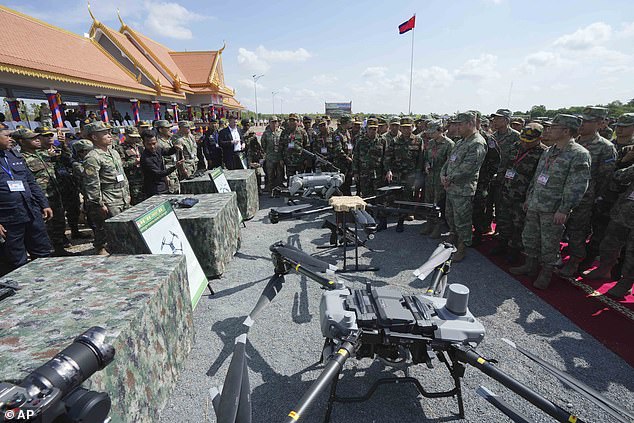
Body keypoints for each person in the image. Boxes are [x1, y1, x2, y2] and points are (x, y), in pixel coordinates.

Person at [510, 114, 591, 289]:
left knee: (550, 243)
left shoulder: (578, 154)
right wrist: (530, 197)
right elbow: (537, 177)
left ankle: (546, 272)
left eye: (554, 127)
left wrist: (564, 209)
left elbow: (577, 185)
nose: (549, 130)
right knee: (530, 237)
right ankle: (530, 265)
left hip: (553, 209)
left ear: (566, 131)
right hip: (536, 203)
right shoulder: (549, 150)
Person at [558, 107, 616, 277]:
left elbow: (606, 177)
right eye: (581, 120)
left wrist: (594, 197)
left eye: (587, 121)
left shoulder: (605, 147)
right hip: (562, 193)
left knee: (578, 230)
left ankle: (574, 262)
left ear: (599, 124)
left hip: (585, 197)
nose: (582, 124)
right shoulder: (571, 143)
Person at [15, 128, 76, 257]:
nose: (37, 139)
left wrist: (63, 144)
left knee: (59, 222)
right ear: (21, 142)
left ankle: (59, 248)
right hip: (40, 199)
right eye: (32, 138)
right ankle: (46, 253)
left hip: (55, 193)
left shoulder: (44, 154)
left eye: (37, 137)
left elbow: (66, 158)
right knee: (44, 227)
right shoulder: (21, 158)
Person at [493, 123, 547, 263]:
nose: (525, 143)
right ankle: (502, 244)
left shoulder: (543, 153)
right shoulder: (515, 146)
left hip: (522, 196)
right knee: (503, 220)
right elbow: (505, 165)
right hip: (506, 190)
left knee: (519, 225)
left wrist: (530, 198)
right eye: (523, 139)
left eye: (529, 141)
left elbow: (538, 179)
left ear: (539, 138)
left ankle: (514, 250)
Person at [0, 126, 52, 270]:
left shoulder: (13, 155)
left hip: (30, 211)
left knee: (42, 252)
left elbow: (30, 182)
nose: (11, 139)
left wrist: (44, 204)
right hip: (8, 218)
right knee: (16, 259)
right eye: (7, 136)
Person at [440, 112, 487, 261]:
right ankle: (453, 236)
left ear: (469, 124)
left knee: (462, 220)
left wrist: (449, 178)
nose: (457, 127)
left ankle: (462, 247)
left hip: (463, 189)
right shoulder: (461, 141)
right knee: (451, 215)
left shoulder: (477, 143)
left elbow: (469, 168)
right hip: (451, 187)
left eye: (459, 124)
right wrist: (443, 175)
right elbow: (449, 162)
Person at [583, 163, 634, 297]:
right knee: (609, 244)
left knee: (632, 254)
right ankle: (604, 268)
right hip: (623, 213)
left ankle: (626, 282)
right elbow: (619, 176)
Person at [83, 121, 131, 255]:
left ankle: (122, 247)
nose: (109, 135)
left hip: (122, 194)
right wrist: (98, 203)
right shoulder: (92, 157)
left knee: (123, 225)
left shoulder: (114, 152)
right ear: (94, 137)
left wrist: (127, 192)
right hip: (109, 197)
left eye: (109, 132)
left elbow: (122, 174)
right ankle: (103, 248)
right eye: (105, 133)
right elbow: (92, 183)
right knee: (108, 227)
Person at [384, 116, 423, 232]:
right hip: (396, 175)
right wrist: (388, 170)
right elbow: (387, 158)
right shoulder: (395, 141)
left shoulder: (418, 140)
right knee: (392, 197)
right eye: (404, 128)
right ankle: (388, 219)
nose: (406, 130)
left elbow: (420, 160)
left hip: (410, 176)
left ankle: (401, 221)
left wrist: (417, 176)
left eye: (409, 127)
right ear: (401, 128)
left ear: (412, 127)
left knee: (406, 198)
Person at [420, 120, 454, 239]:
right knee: (429, 201)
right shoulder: (430, 143)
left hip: (441, 178)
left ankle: (438, 227)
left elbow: (451, 163)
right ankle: (429, 223)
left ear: (440, 131)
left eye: (433, 132)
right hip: (430, 177)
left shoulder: (449, 144)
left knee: (438, 203)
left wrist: (446, 176)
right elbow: (426, 158)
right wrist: (427, 164)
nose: (430, 134)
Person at [140, 130, 184, 196]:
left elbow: (167, 152)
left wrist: (175, 148)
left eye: (154, 143)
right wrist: (175, 167)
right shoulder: (146, 158)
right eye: (149, 144)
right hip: (154, 189)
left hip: (164, 185)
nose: (152, 146)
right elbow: (159, 173)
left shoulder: (157, 149)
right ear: (144, 143)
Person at [352, 118, 383, 197]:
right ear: (366, 129)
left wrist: (387, 171)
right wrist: (355, 172)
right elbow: (355, 157)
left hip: (378, 174)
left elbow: (385, 157)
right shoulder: (360, 141)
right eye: (370, 129)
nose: (372, 131)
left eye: (374, 129)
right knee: (366, 196)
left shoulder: (382, 141)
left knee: (378, 196)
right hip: (364, 174)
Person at [115, 126, 144, 205]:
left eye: (135, 137)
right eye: (132, 137)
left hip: (143, 177)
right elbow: (120, 165)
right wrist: (134, 163)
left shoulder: (140, 147)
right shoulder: (120, 148)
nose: (134, 139)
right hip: (132, 179)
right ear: (126, 135)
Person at [154, 120, 180, 194]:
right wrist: (165, 176)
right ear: (160, 130)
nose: (169, 129)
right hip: (167, 173)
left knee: (177, 192)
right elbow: (160, 161)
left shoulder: (169, 140)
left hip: (174, 170)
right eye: (167, 128)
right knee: (171, 194)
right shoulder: (158, 143)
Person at [281, 113, 309, 180]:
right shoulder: (284, 132)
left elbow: (307, 146)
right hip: (288, 161)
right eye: (290, 120)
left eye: (294, 120)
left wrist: (306, 159)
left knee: (301, 180)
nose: (292, 122)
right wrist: (281, 159)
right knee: (290, 180)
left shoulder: (302, 132)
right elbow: (281, 146)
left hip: (300, 161)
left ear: (298, 121)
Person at [261, 116, 284, 191]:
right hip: (270, 158)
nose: (274, 124)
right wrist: (268, 153)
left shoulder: (281, 132)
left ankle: (279, 190)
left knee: (279, 175)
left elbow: (284, 144)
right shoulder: (266, 133)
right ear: (269, 123)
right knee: (270, 175)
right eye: (272, 122)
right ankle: (270, 189)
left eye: (276, 122)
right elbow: (263, 145)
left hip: (279, 157)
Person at [244, 119, 265, 192]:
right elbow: (249, 161)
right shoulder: (250, 150)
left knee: (258, 173)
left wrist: (259, 164)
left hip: (258, 164)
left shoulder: (260, 149)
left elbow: (263, 157)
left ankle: (259, 188)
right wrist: (252, 164)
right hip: (251, 165)